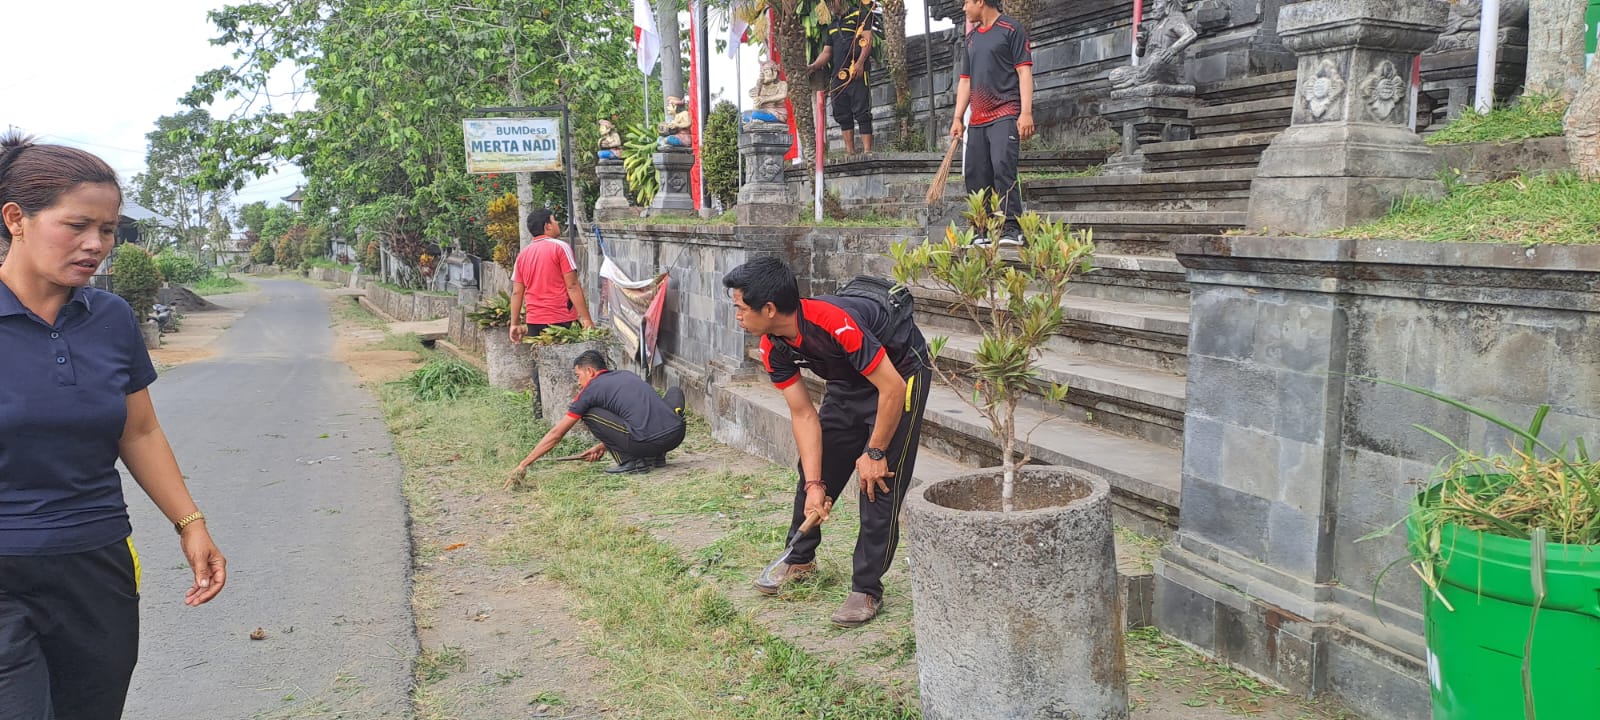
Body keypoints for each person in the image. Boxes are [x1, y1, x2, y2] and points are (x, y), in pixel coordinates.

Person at [0, 132, 228, 718]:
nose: (96, 244)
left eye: (107, 230)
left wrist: (190, 523)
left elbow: (139, 431)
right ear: (16, 219)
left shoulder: (110, 317)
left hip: (95, 563)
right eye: (76, 225)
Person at [722, 257, 931, 628]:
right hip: (849, 382)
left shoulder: (834, 323)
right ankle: (800, 559)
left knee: (876, 483)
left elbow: (893, 388)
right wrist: (817, 483)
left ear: (769, 309)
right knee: (813, 473)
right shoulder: (773, 346)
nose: (736, 314)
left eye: (740, 307)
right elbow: (804, 415)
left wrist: (875, 451)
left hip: (899, 375)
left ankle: (866, 587)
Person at [506, 350, 687, 486]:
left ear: (590, 372)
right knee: (674, 392)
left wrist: (525, 463)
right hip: (676, 435)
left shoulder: (590, 390)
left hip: (647, 440)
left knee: (589, 412)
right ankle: (656, 456)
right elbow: (638, 415)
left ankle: (631, 462)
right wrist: (605, 445)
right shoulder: (626, 375)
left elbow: (556, 434)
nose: (578, 382)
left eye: (578, 376)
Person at [950, 0, 1035, 246]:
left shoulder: (1011, 29)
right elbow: (965, 81)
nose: (964, 9)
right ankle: (982, 229)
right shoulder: (972, 38)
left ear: (980, 1)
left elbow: (1024, 72)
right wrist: (958, 117)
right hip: (977, 118)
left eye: (967, 2)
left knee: (1002, 167)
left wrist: (1026, 112)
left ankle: (1012, 227)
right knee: (975, 174)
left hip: (1005, 112)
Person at [509, 208, 594, 345]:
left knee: (543, 364)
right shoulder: (561, 247)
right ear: (547, 226)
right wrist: (586, 319)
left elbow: (517, 292)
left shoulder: (522, 255)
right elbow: (572, 286)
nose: (557, 223)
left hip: (534, 322)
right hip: (561, 320)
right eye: (554, 220)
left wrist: (515, 323)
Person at [807, 0, 876, 155]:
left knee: (862, 111)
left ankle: (867, 151)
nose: (829, 5)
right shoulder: (831, 26)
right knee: (842, 113)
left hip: (856, 72)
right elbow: (826, 53)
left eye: (831, 2)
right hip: (838, 75)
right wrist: (813, 66)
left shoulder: (860, 15)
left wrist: (859, 63)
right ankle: (850, 152)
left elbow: (867, 40)